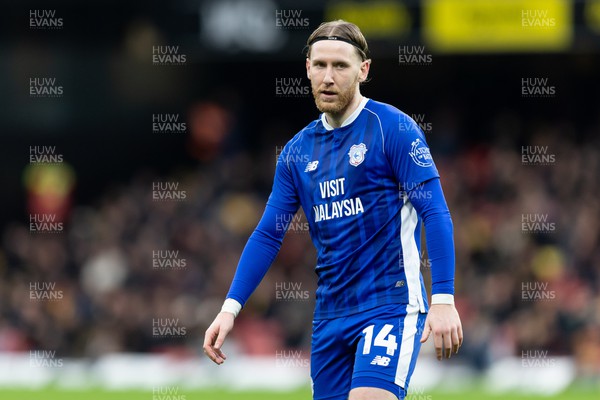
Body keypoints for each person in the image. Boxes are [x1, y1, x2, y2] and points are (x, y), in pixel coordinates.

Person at [204, 20, 463, 400]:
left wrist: (443, 299)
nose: (329, 76)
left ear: (364, 69)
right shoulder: (296, 152)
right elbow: (268, 233)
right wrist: (230, 308)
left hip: (388, 305)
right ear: (307, 67)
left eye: (340, 66)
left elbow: (436, 213)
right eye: (320, 65)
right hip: (330, 315)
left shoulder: (394, 129)